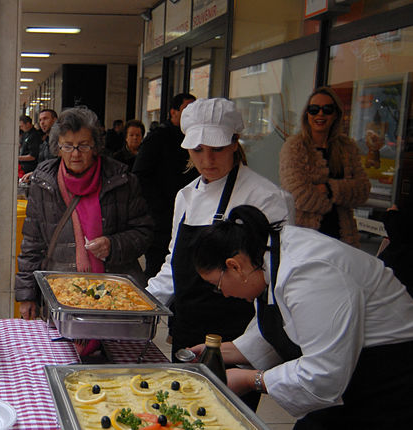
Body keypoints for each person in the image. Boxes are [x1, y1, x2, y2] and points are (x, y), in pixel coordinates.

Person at [188, 204, 413, 427]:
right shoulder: (267, 257)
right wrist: (217, 353)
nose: (224, 294)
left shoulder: (310, 272)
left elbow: (323, 374)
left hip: (386, 376)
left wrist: (252, 380)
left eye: (217, 285)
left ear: (234, 266)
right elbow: (284, 327)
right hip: (350, 371)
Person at [145, 99, 293, 410]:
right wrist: (140, 304)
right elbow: (174, 265)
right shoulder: (185, 197)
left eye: (217, 148)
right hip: (187, 328)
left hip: (237, 334)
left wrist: (252, 347)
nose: (207, 159)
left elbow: (276, 283)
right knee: (180, 411)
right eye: (198, 150)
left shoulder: (265, 197)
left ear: (235, 143)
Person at [16, 106, 153, 322]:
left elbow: (144, 233)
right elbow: (32, 243)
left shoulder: (122, 180)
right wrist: (27, 295)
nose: (76, 154)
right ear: (57, 148)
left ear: (96, 146)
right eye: (68, 146)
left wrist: (113, 244)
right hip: (61, 295)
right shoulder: (43, 183)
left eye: (84, 145)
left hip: (114, 298)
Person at [280, 86, 370, 247]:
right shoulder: (295, 146)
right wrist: (340, 197)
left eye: (327, 109)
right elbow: (298, 195)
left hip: (342, 238)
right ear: (307, 114)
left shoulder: (347, 147)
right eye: (314, 109)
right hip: (305, 238)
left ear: (336, 114)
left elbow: (362, 190)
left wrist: (329, 188)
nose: (320, 114)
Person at [133, 93, 199, 278]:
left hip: (191, 215)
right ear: (173, 112)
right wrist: (159, 207)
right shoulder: (158, 138)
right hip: (162, 220)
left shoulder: (197, 140)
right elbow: (140, 175)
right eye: (187, 110)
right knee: (159, 269)